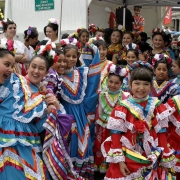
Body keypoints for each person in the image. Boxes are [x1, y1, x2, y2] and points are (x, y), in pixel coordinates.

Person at [0, 44, 67, 179]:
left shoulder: (43, 97)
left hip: (28, 141)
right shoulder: (13, 80)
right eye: (33, 67)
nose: (36, 71)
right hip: (5, 138)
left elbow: (36, 127)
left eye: (41, 68)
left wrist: (51, 110)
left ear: (47, 72)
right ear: (28, 67)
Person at [101, 61, 176, 179]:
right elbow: (116, 136)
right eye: (137, 83)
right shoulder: (122, 107)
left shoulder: (156, 105)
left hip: (151, 153)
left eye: (146, 84)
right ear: (130, 85)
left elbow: (161, 134)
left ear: (151, 86)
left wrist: (165, 159)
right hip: (129, 155)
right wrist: (120, 162)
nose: (141, 88)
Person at [59, 41, 100, 179]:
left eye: (74, 56)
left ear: (78, 57)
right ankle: (67, 173)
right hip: (64, 115)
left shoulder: (82, 72)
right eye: (67, 56)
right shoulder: (56, 75)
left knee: (83, 142)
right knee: (68, 143)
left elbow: (94, 80)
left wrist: (93, 47)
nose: (71, 59)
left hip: (81, 114)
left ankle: (81, 173)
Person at [94, 64, 129, 176]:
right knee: (103, 145)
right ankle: (102, 165)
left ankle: (114, 166)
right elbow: (99, 112)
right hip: (104, 126)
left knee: (116, 145)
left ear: (121, 83)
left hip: (119, 128)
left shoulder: (125, 96)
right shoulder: (101, 95)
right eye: (110, 82)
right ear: (107, 81)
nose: (113, 85)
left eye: (116, 83)